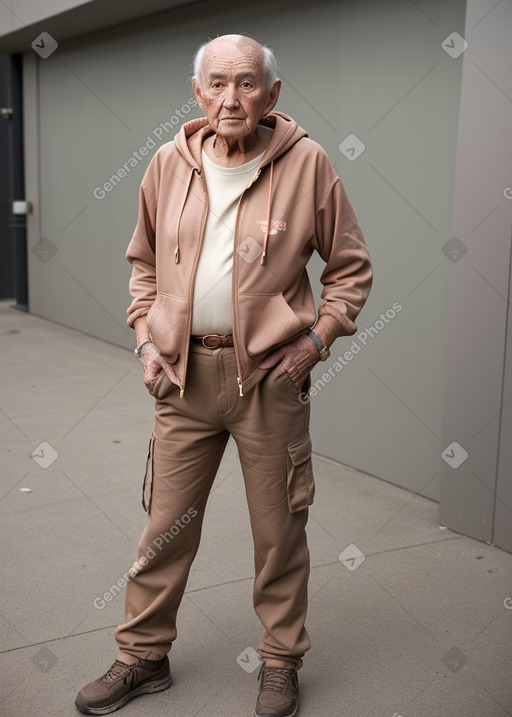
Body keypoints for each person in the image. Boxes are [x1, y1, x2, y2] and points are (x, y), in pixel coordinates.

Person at [76, 33, 372, 717]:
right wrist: (147, 338)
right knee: (165, 528)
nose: (230, 97)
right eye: (216, 83)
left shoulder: (308, 164)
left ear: (271, 94)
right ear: (197, 91)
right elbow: (143, 263)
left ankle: (279, 660)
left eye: (246, 83)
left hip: (269, 381)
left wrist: (317, 339)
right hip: (183, 378)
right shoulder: (166, 163)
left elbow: (351, 268)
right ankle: (143, 655)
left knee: (280, 531)